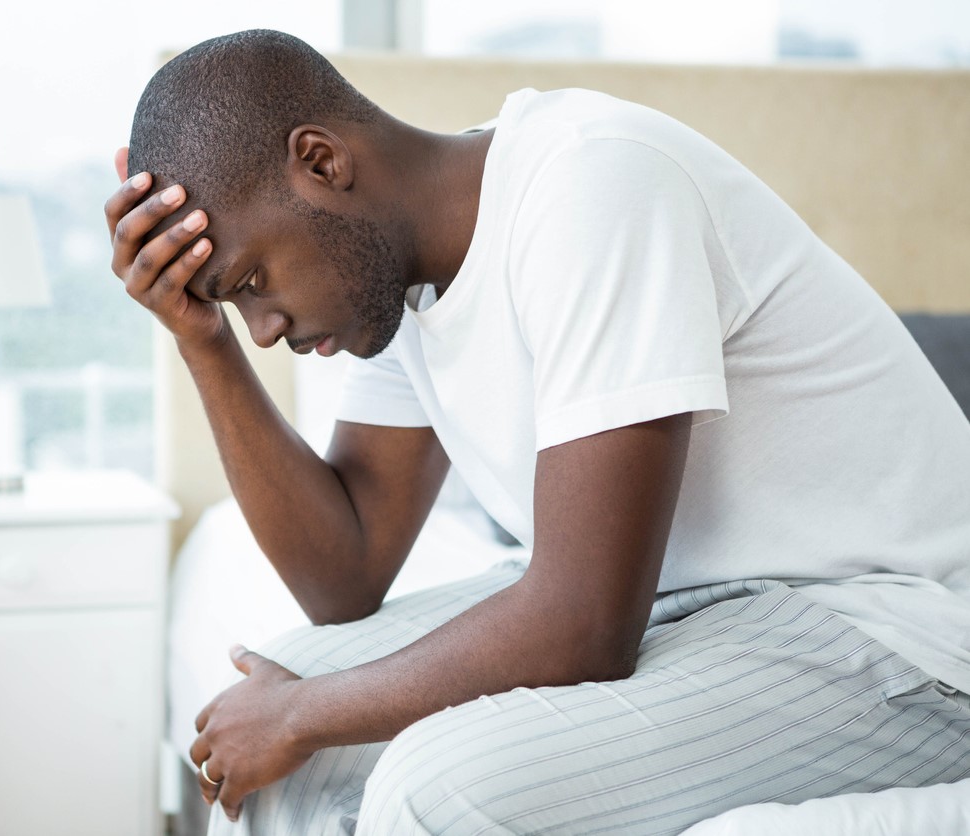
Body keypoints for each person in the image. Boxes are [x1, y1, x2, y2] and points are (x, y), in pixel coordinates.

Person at [105, 29, 970, 835]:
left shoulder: (593, 183)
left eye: (252, 279)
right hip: (693, 608)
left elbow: (584, 623)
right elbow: (345, 578)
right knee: (283, 724)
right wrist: (202, 340)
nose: (264, 326)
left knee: (433, 782)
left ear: (323, 162)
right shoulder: (392, 276)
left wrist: (301, 713)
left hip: (892, 631)